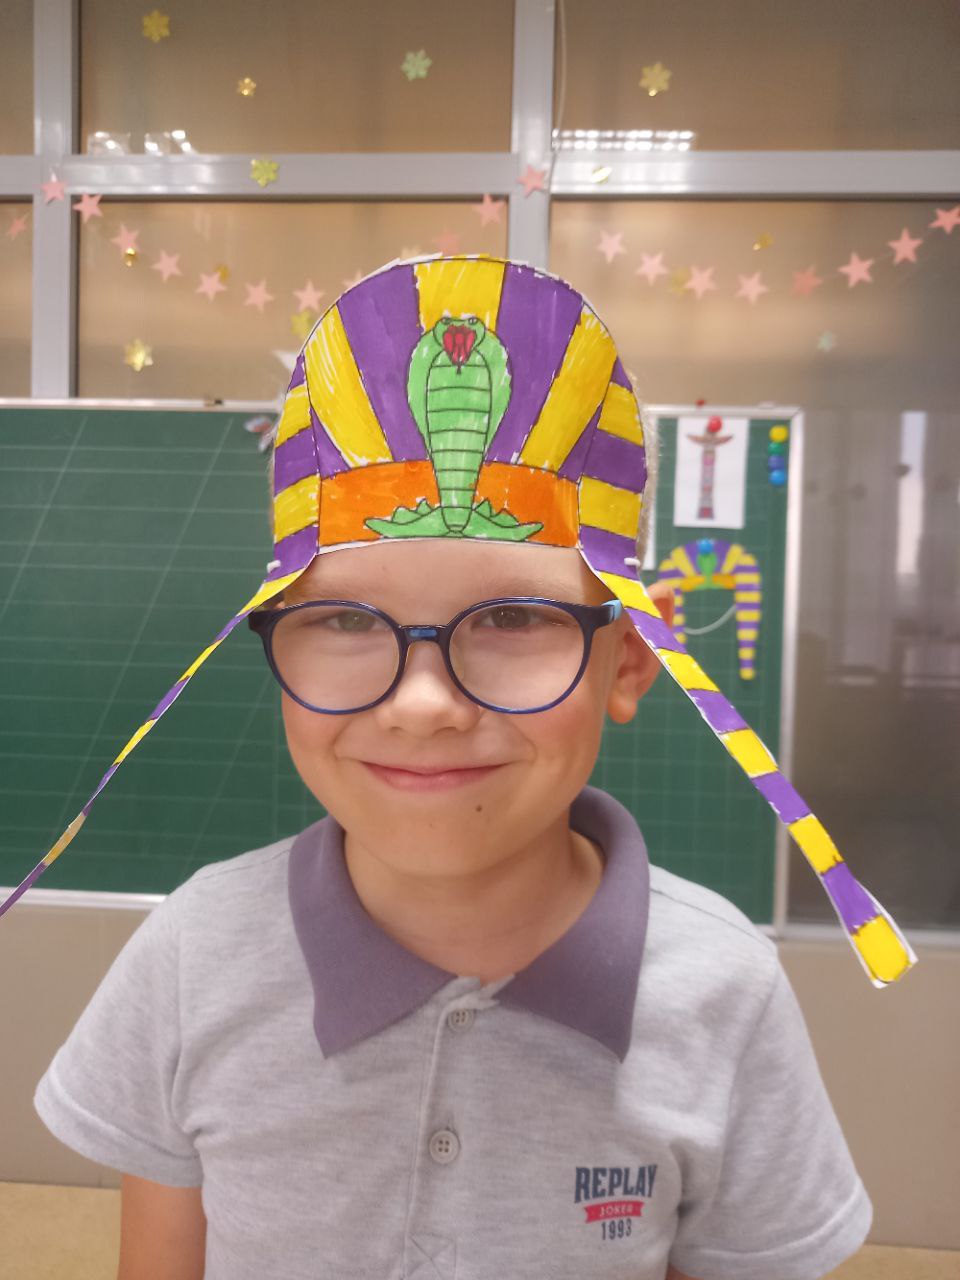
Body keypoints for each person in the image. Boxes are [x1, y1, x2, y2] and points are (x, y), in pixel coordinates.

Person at [28, 255, 909, 1278]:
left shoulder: (724, 991)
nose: (423, 703)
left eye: (513, 617)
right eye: (345, 618)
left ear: (631, 659)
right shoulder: (189, 956)